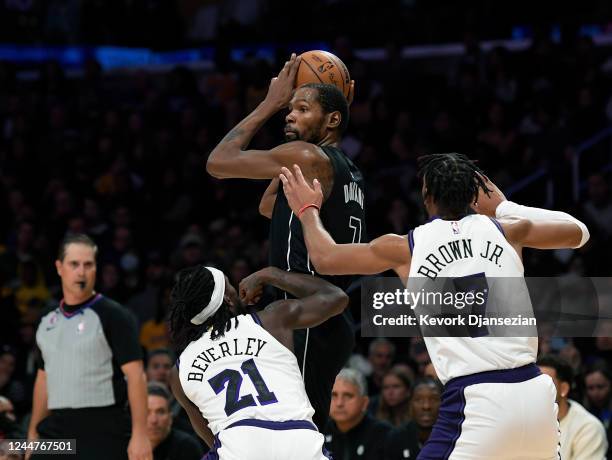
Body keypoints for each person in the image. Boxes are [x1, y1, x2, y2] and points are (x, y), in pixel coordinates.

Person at [279, 153, 590, 458]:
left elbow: (325, 258)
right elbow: (578, 232)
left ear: (426, 197)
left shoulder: (404, 247)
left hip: (478, 398)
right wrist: (505, 207)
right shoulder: (507, 230)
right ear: (474, 196)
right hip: (535, 392)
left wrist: (307, 209)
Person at [206, 53, 365, 430]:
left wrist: (269, 102)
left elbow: (218, 161)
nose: (288, 115)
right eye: (288, 108)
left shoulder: (308, 156)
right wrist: (328, 104)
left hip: (306, 312)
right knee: (304, 431)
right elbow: (269, 208)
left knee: (298, 433)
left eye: (302, 108)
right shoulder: (350, 170)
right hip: (328, 314)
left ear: (332, 120)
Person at [167, 265, 348, 459]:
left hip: (241, 446)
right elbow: (336, 297)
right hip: (300, 439)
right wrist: (269, 274)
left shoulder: (179, 371)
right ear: (227, 300)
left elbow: (212, 438)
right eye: (230, 285)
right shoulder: (272, 320)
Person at [27, 234, 151, 460]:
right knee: (11, 449)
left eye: (88, 265)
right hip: (56, 428)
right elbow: (43, 378)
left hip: (103, 428)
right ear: (59, 267)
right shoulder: (46, 320)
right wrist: (33, 433)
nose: (81, 272)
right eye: (74, 264)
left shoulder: (115, 315)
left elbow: (136, 376)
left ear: (96, 268)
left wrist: (140, 435)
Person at [537, 354, 608, 459]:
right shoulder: (523, 420)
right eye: (534, 383)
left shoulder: (588, 428)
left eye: (544, 383)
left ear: (564, 389)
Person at [324, 368, 392, 460]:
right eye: (334, 395)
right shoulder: (318, 432)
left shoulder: (385, 434)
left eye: (348, 396)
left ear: (365, 402)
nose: (339, 403)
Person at [385, 378, 442, 460]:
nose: (426, 406)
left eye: (433, 399)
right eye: (419, 400)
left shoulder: (455, 437)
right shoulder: (395, 438)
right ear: (410, 403)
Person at [146, 382, 203, 460]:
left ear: (170, 417)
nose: (154, 420)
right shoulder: (125, 444)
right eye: (147, 412)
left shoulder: (186, 447)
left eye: (160, 412)